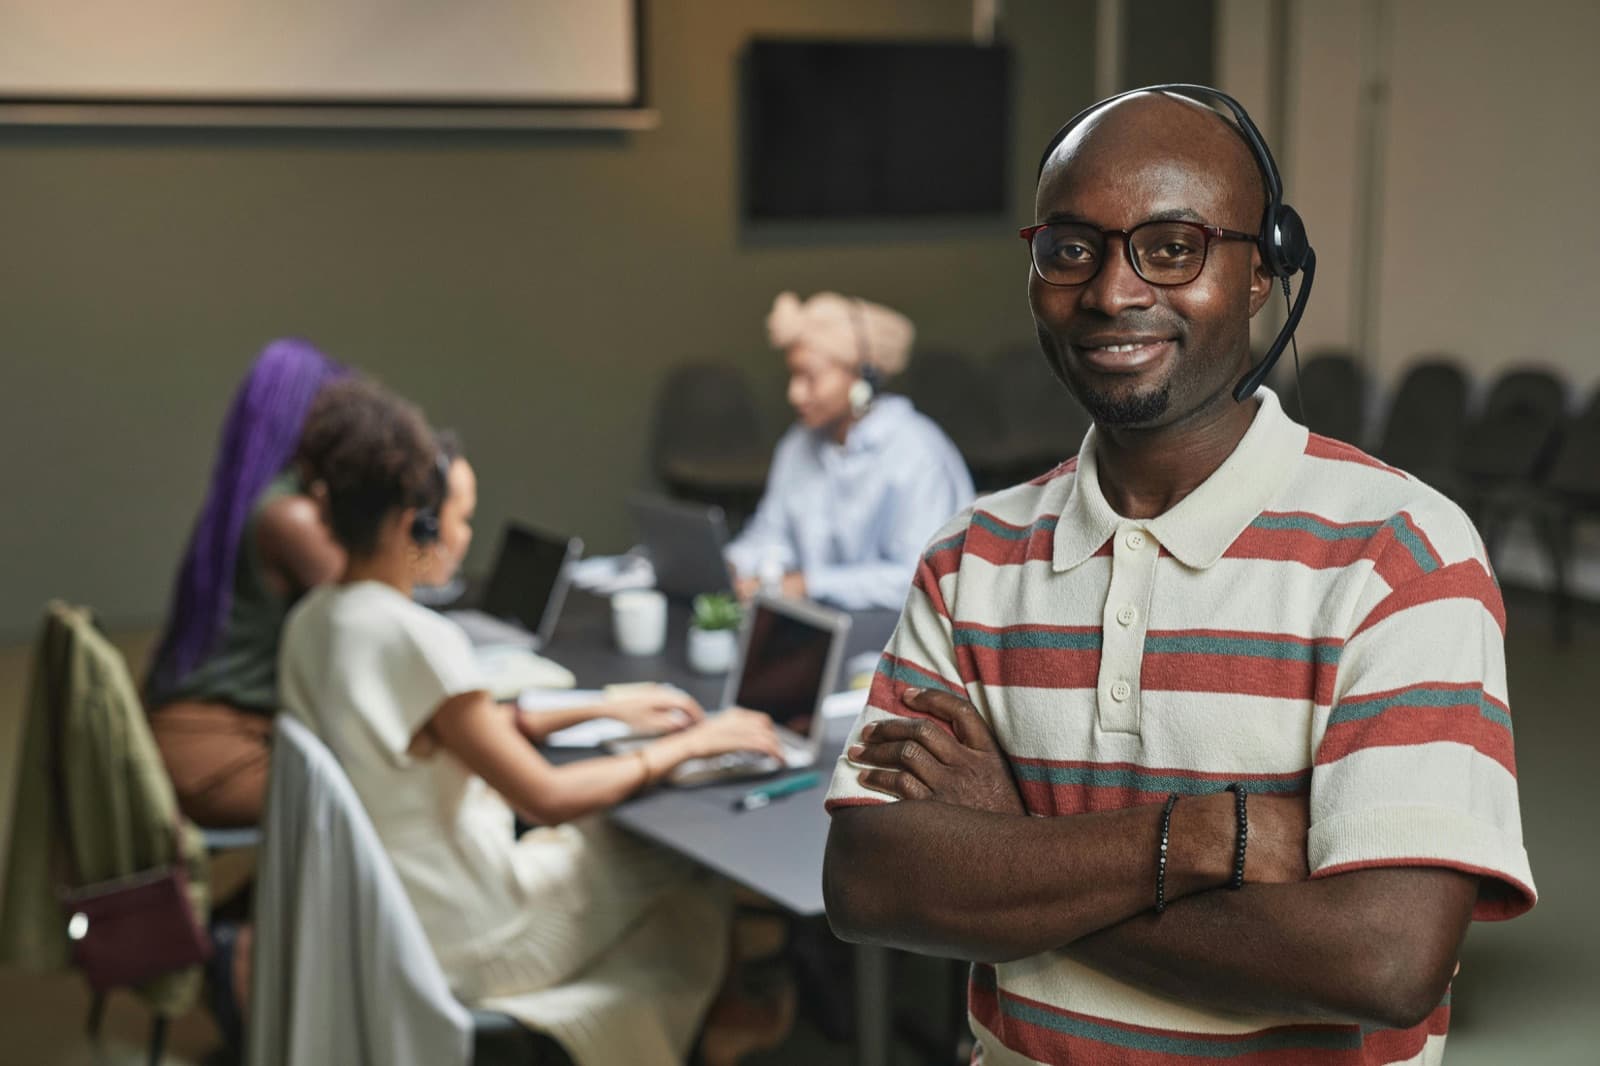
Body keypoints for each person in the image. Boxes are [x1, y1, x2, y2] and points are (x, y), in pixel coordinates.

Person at [822, 87, 1534, 1065]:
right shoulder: (969, 556)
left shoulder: (1402, 555)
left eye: (1171, 248)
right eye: (1071, 248)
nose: (1112, 292)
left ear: (1261, 271)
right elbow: (870, 883)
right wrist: (1206, 837)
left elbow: (1383, 960)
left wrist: (1011, 854)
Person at [277, 377, 785, 1066]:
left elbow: (448, 731)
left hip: (391, 919)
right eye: (459, 519)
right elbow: (543, 798)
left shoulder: (314, 621)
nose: (464, 537)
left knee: (618, 847)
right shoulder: (415, 637)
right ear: (413, 525)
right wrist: (690, 744)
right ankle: (719, 1023)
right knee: (683, 856)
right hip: (476, 938)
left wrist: (603, 707)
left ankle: (678, 1025)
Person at [145, 338, 346, 828]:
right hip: (220, 753)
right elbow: (372, 601)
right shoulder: (290, 516)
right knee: (389, 797)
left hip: (180, 733)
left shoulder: (245, 502)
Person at [725, 291, 974, 610]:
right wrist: (735, 565)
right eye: (793, 375)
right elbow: (772, 534)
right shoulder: (798, 444)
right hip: (821, 624)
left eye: (810, 377)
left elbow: (919, 578)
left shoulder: (918, 453)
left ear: (863, 376)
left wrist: (809, 584)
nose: (794, 393)